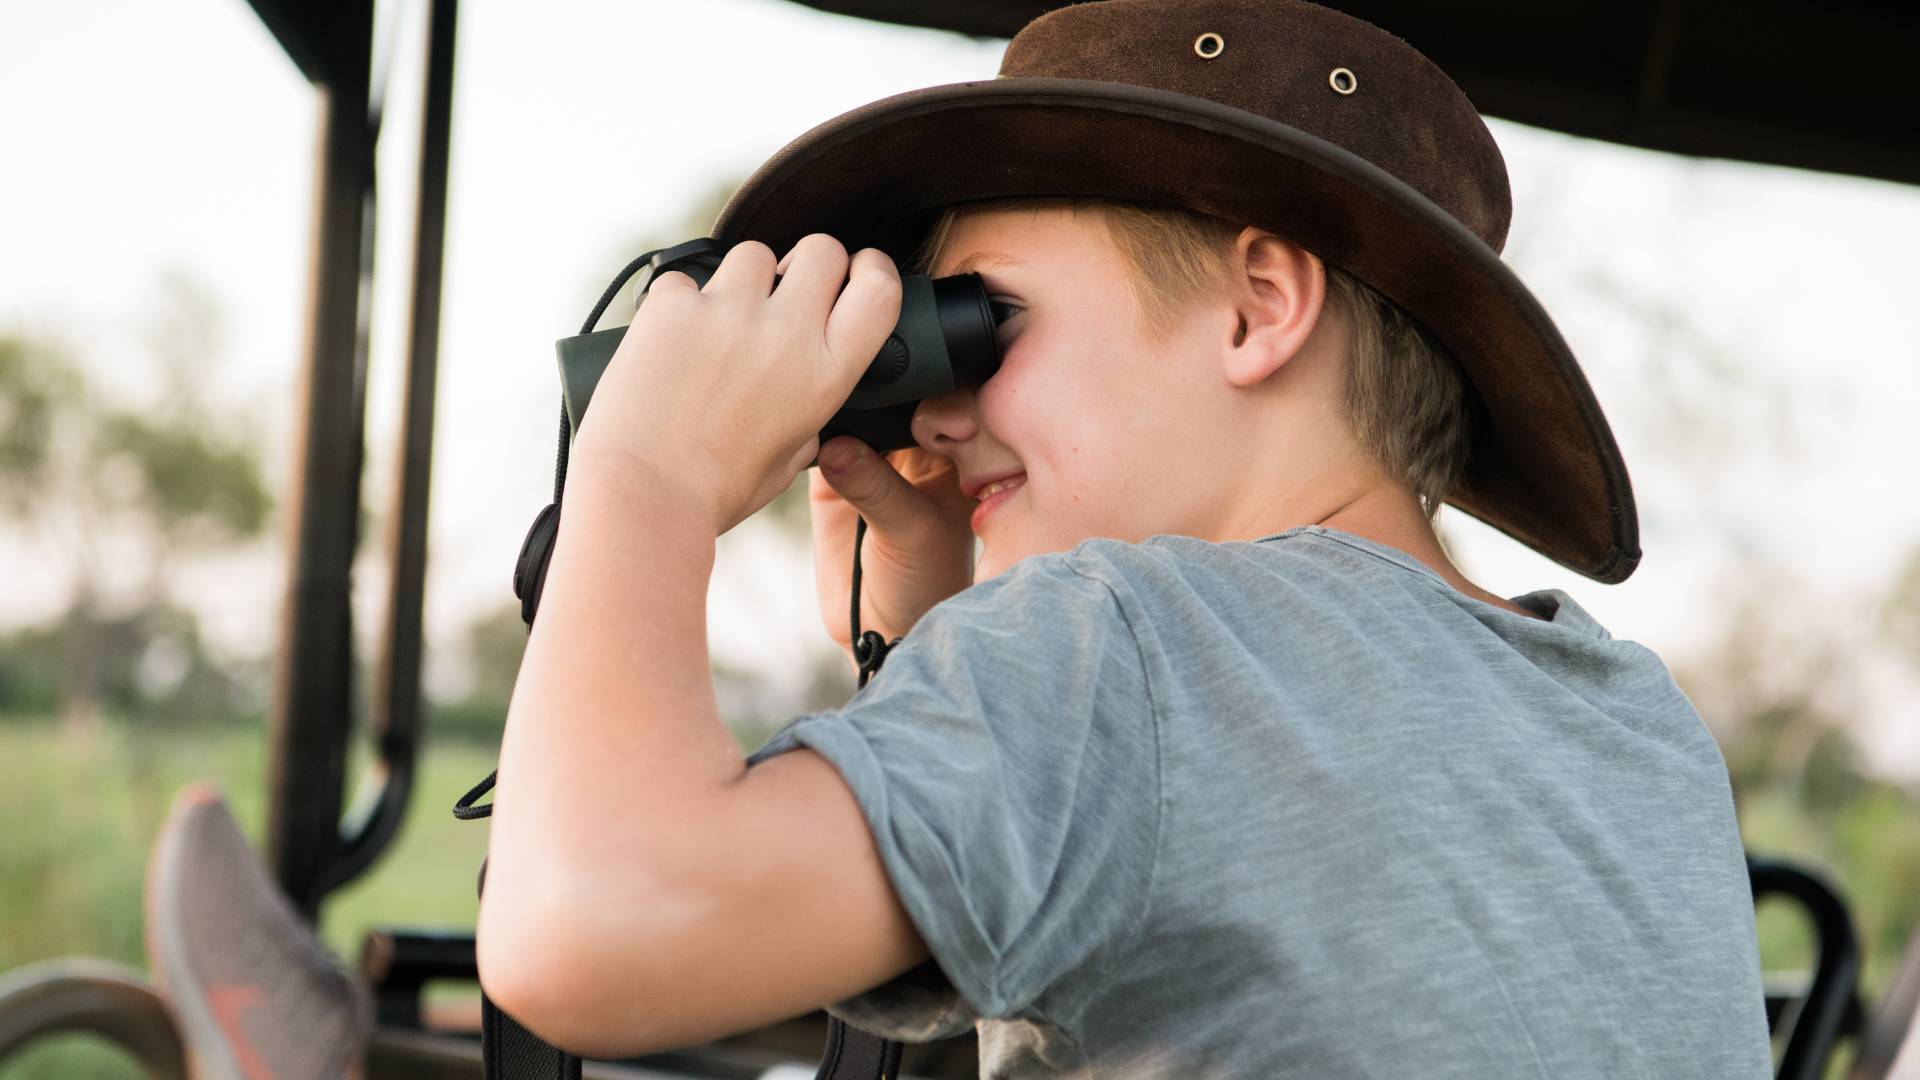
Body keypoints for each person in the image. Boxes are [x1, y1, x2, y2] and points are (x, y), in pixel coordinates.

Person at [474, 0, 1774, 1075]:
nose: (938, 412)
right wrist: (922, 652)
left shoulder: (1117, 646)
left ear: (1257, 307)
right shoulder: (1639, 724)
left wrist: (647, 476)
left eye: (986, 321)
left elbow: (586, 933)